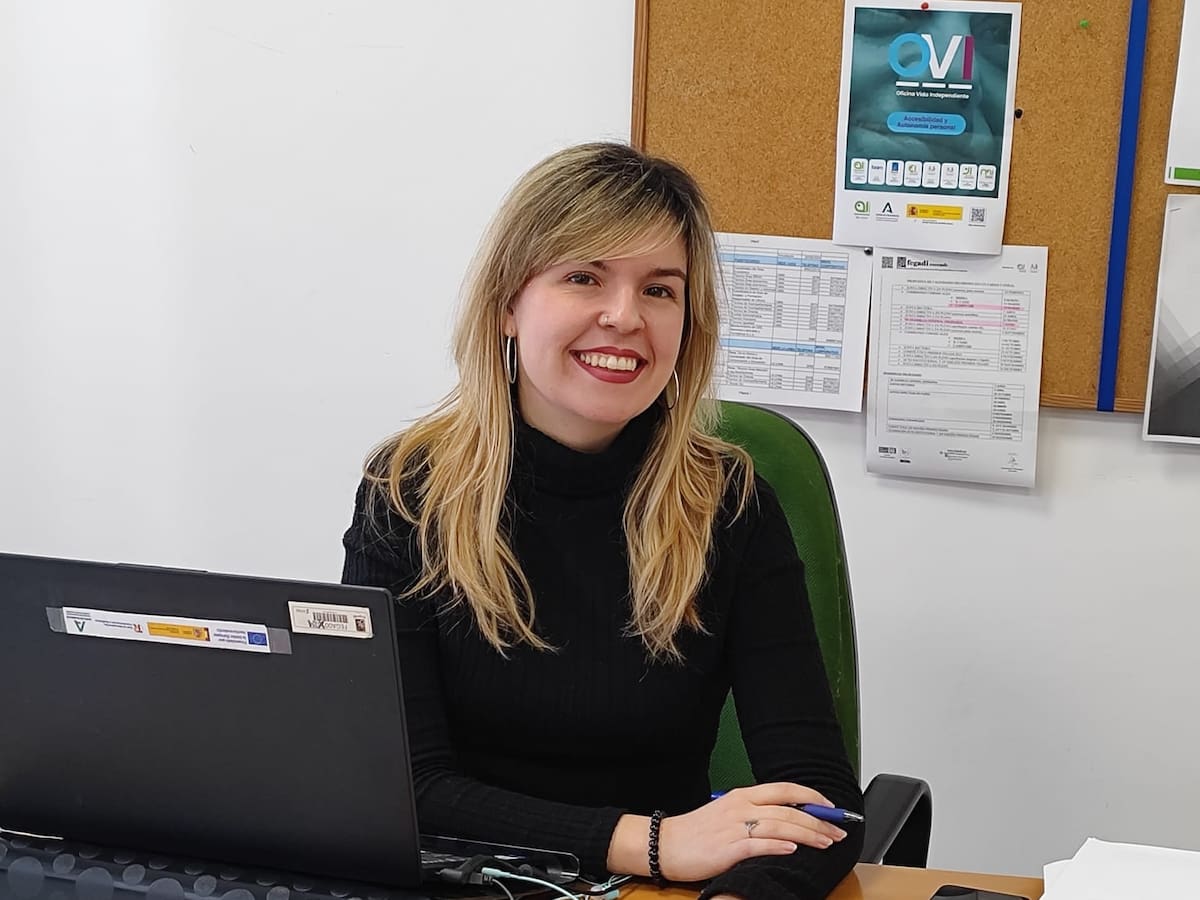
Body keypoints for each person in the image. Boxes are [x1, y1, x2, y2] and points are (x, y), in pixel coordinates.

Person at [341, 142, 864, 900]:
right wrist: (650, 842)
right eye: (584, 277)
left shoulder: (728, 503)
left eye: (660, 289)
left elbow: (818, 799)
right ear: (508, 305)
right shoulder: (408, 493)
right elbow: (402, 785)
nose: (624, 317)